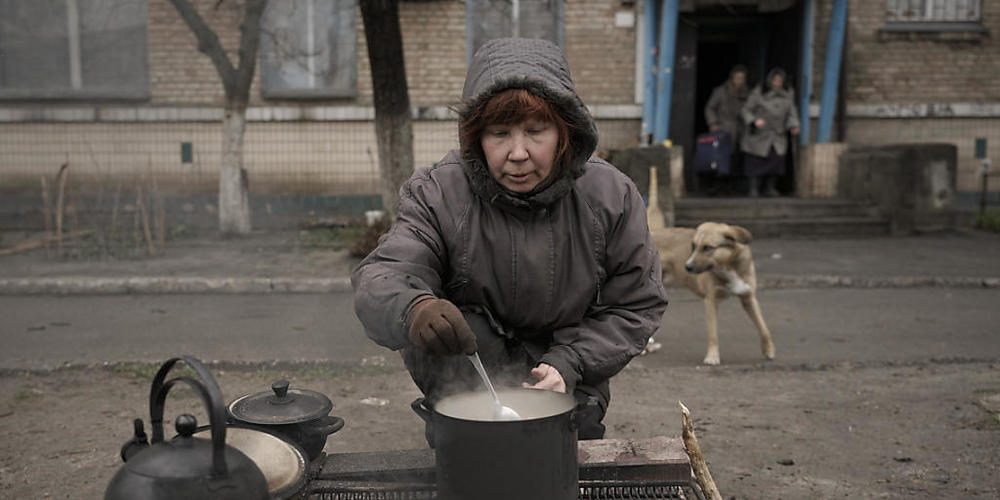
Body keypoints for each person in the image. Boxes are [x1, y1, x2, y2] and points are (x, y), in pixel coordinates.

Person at [351, 38, 668, 442]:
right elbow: (383, 274)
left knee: (560, 463)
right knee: (473, 462)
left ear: (565, 131)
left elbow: (636, 303)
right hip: (465, 378)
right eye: (499, 133)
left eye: (536, 131)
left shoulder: (610, 196)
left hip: (571, 376)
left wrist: (571, 362)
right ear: (476, 138)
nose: (517, 153)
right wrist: (413, 308)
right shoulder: (437, 192)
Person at [740, 67, 800, 197]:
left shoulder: (787, 96)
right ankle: (754, 188)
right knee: (756, 161)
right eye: (775, 80)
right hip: (760, 134)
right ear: (770, 81)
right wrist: (754, 121)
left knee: (775, 161)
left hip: (777, 134)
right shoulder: (758, 93)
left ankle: (770, 187)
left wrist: (794, 125)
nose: (777, 84)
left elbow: (791, 113)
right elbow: (746, 110)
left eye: (779, 81)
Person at [702, 64, 749, 196]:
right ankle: (717, 187)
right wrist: (713, 123)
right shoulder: (720, 91)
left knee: (735, 160)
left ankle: (732, 187)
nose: (739, 81)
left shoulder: (746, 93)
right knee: (719, 159)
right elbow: (710, 108)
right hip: (723, 129)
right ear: (732, 78)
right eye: (737, 78)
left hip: (739, 130)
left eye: (742, 78)